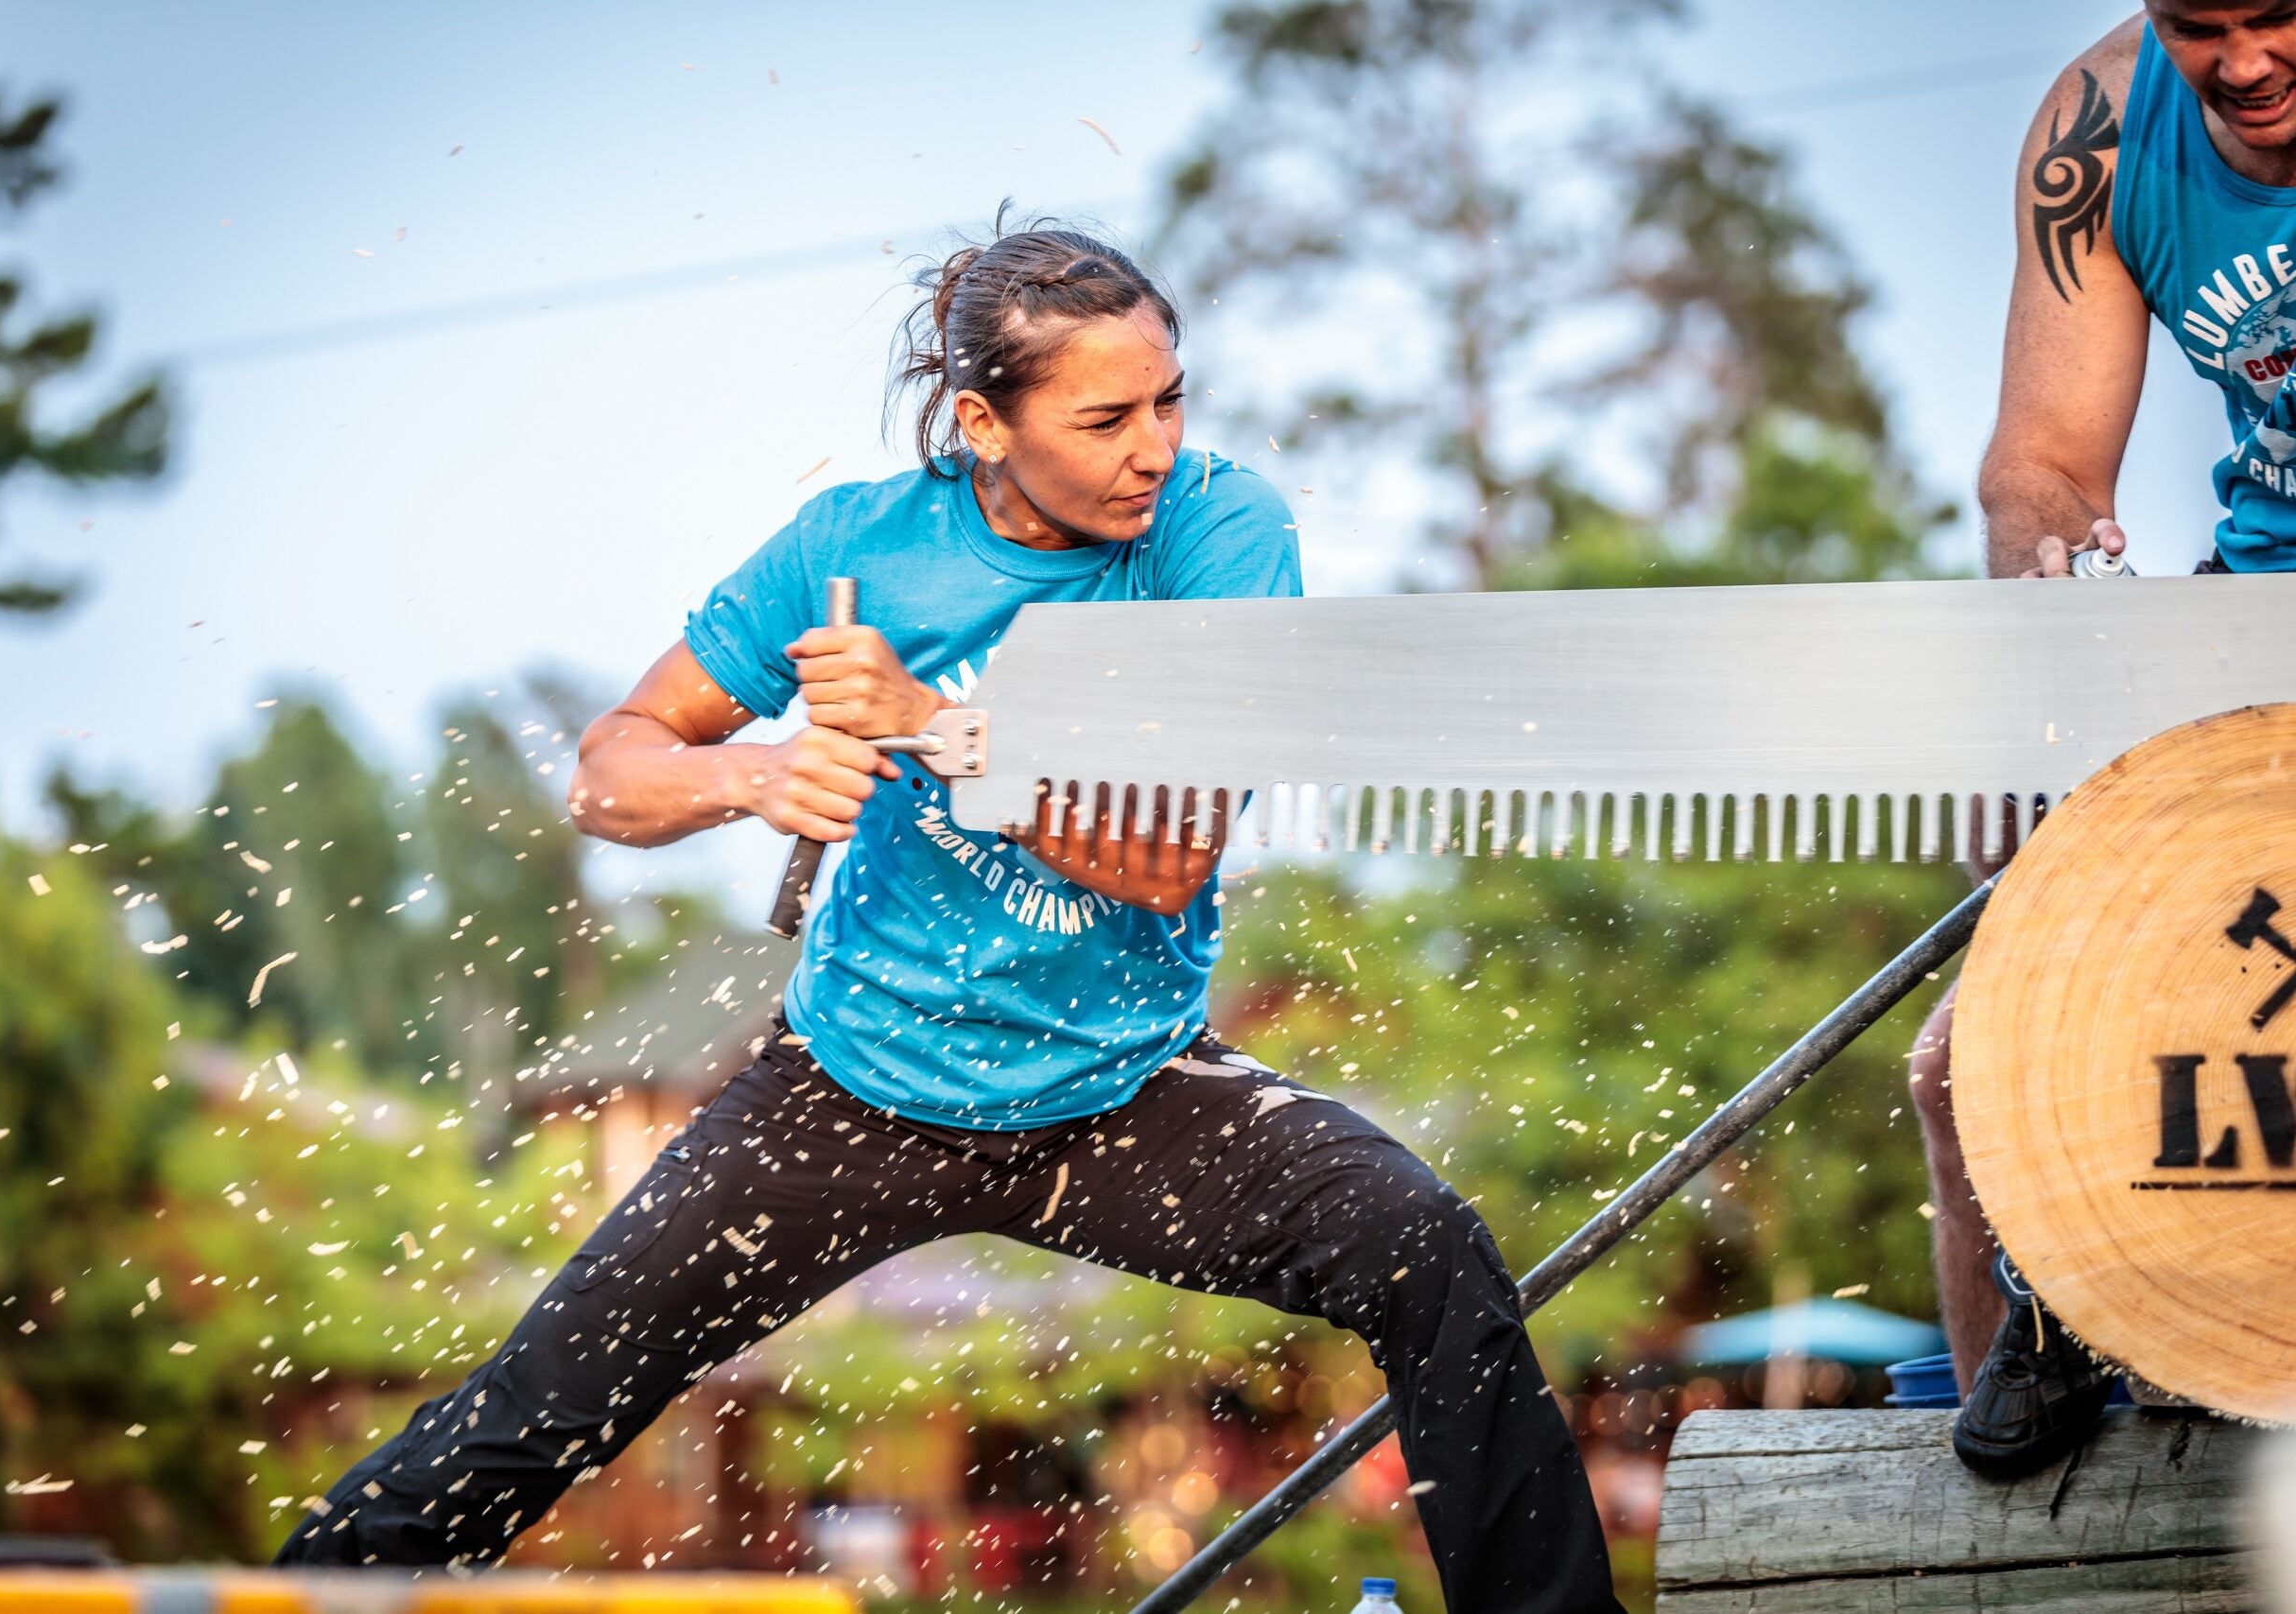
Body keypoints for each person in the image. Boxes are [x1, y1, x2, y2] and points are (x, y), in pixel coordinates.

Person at [274, 217, 1625, 1612]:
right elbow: (608, 776)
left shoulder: (1222, 531)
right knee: (540, 1402)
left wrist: (944, 733)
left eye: (1169, 401)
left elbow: (1171, 859)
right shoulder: (852, 542)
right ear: (984, 422)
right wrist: (754, 772)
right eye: (1105, 419)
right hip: (852, 1093)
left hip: (1124, 1093)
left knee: (1426, 1248)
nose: (1151, 446)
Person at [1922, 0, 2296, 1478]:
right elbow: (2045, 464)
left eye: (2281, 13)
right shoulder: (2097, 127)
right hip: (2255, 621)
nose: (2249, 62)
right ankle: (2053, 1336)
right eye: (2203, 24)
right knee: (1966, 1071)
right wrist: (2048, 662)